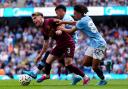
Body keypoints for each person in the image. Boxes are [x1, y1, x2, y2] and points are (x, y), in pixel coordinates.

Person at [30, 12, 90, 85]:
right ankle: (47, 75)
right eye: (32, 19)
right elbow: (46, 43)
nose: (33, 20)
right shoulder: (43, 30)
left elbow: (61, 22)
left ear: (41, 17)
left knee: (68, 65)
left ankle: (85, 77)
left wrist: (61, 30)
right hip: (59, 45)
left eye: (35, 18)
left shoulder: (50, 21)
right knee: (48, 61)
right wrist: (40, 55)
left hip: (68, 43)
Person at [57, 4, 107, 86]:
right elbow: (75, 22)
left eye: (75, 13)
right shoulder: (87, 17)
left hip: (99, 44)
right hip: (93, 43)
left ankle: (103, 79)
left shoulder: (82, 22)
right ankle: (103, 63)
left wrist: (62, 28)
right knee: (85, 63)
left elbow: (71, 31)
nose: (74, 15)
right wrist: (63, 22)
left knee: (94, 67)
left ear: (80, 13)